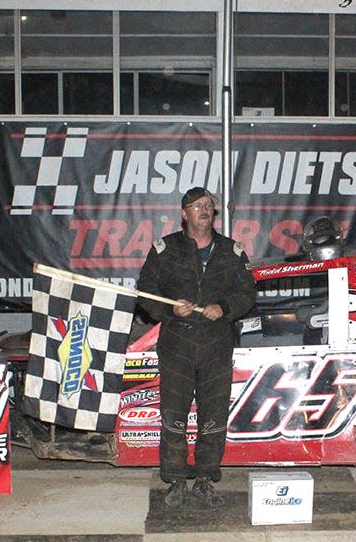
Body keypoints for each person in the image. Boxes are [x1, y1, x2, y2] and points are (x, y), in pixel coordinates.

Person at [137, 187, 256, 508]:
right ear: (183, 213)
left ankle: (205, 479)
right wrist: (169, 310)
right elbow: (145, 291)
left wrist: (225, 307)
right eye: (197, 206)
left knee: (213, 416)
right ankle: (175, 479)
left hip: (217, 344)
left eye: (208, 206)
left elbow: (248, 292)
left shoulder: (232, 251)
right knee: (173, 415)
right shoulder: (165, 250)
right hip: (176, 344)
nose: (204, 210)